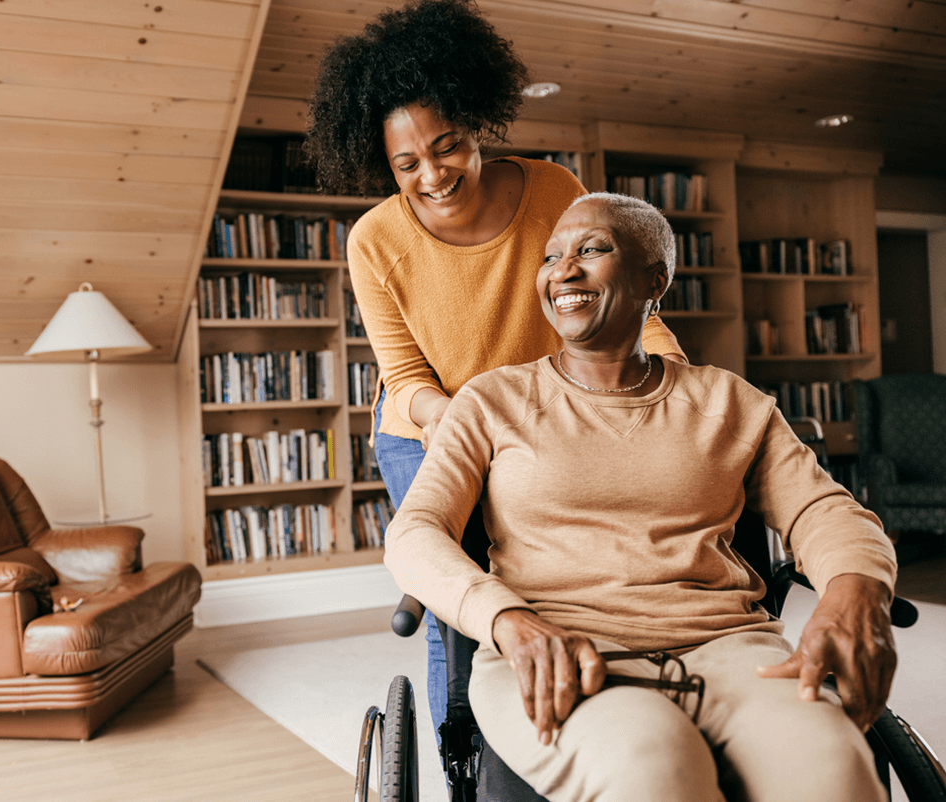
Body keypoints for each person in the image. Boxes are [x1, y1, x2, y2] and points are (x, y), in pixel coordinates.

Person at [382, 192, 898, 802]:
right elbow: (416, 532)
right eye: (551, 258)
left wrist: (854, 587)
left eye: (591, 250)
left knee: (834, 767)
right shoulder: (491, 401)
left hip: (729, 650)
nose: (563, 271)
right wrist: (508, 620)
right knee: (654, 763)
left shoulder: (730, 403)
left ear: (656, 280)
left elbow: (823, 509)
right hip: (559, 651)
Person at [304, 0, 686, 742]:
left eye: (447, 146)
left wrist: (672, 370)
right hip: (427, 430)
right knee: (464, 599)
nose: (433, 174)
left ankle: (581, 727)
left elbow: (608, 300)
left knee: (561, 574)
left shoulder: (554, 191)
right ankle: (466, 757)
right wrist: (471, 425)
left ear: (477, 122)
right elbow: (406, 377)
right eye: (406, 163)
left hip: (546, 414)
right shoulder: (374, 239)